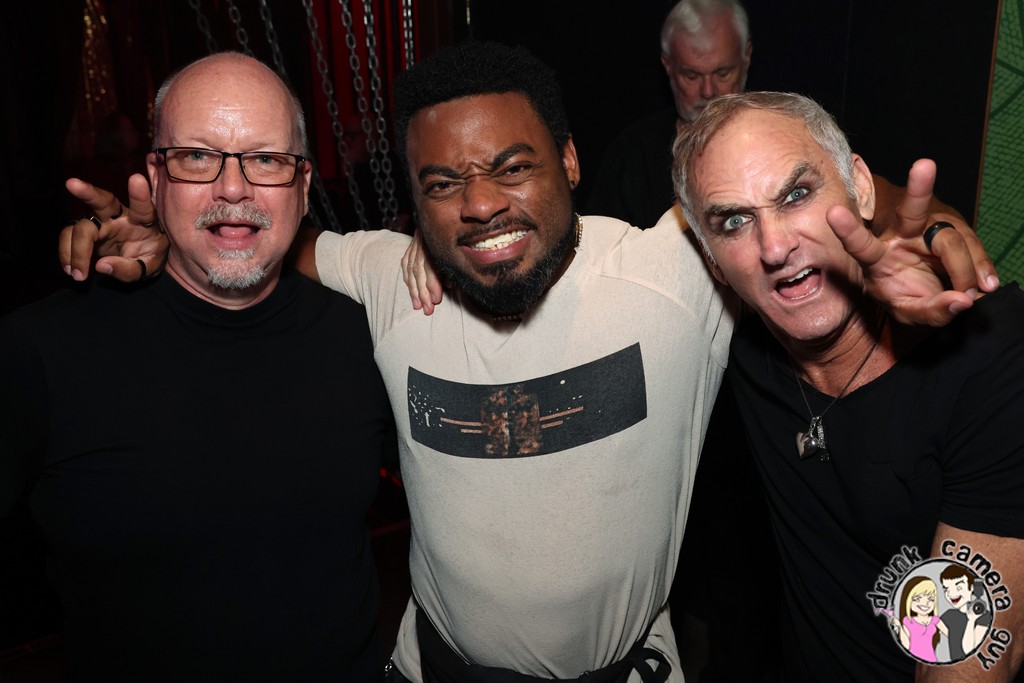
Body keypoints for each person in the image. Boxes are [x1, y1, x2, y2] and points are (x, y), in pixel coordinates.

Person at [60, 43, 993, 683]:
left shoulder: (675, 264)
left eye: (512, 167)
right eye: (442, 184)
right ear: (414, 204)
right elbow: (266, 243)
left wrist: (935, 229)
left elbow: (790, 198)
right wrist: (171, 233)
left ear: (570, 161)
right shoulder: (387, 273)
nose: (479, 205)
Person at [1, 52, 392, 681]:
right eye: (196, 156)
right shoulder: (41, 350)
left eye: (266, 159)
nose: (232, 189)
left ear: (303, 185)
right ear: (155, 178)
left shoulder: (367, 335)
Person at [673, 90, 1024, 681]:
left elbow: (969, 653)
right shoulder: (740, 342)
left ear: (860, 188)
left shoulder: (989, 358)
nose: (775, 246)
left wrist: (936, 223)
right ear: (712, 262)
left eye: (796, 195)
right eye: (735, 221)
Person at [586, 0, 751, 228]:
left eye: (723, 73)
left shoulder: (781, 137)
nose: (708, 91)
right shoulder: (631, 155)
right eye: (691, 76)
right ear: (667, 65)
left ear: (746, 57)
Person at [940, 565, 991, 661]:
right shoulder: (949, 615)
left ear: (971, 587)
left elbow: (969, 651)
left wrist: (971, 620)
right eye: (946, 589)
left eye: (958, 588)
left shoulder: (984, 616)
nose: (951, 593)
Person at [894, 577, 947, 663]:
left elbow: (951, 635)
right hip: (912, 660)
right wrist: (898, 626)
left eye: (931, 599)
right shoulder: (908, 621)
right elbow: (906, 645)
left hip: (931, 660)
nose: (925, 603)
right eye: (917, 599)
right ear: (908, 600)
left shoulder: (935, 620)